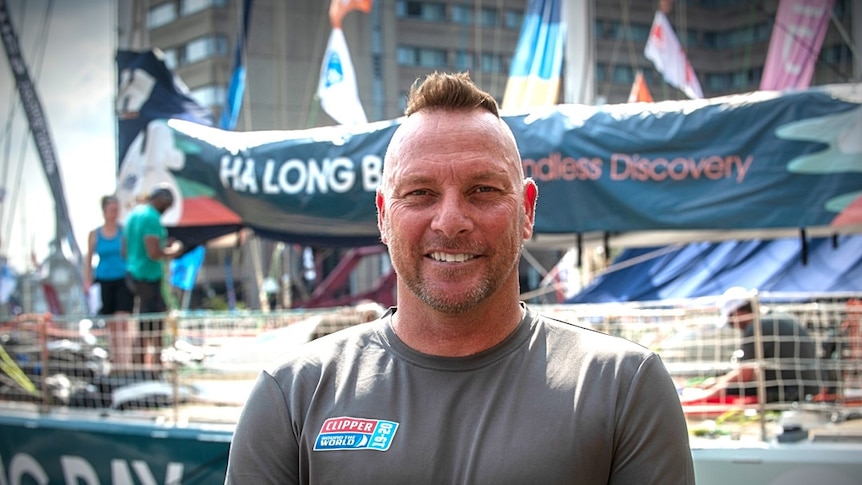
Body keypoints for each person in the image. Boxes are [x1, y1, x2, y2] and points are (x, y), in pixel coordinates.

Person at [225, 72, 694, 484]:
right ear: (384, 215)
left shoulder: (622, 388)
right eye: (421, 192)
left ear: (527, 211)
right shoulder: (291, 397)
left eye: (483, 190)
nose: (450, 221)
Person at [682, 287, 820, 404]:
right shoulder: (780, 317)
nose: (734, 326)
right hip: (807, 387)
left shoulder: (757, 328)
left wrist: (704, 395)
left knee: (733, 389)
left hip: (785, 391)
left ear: (738, 313)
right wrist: (716, 381)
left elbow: (745, 374)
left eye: (731, 321)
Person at [124, 185, 183, 371]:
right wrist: (173, 251)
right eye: (166, 205)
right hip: (149, 277)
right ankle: (154, 368)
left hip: (134, 275)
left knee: (143, 323)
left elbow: (124, 250)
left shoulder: (134, 215)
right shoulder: (151, 217)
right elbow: (153, 252)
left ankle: (141, 367)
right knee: (155, 324)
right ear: (160, 200)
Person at [83, 195, 135, 370]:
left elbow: (129, 255)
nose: (115, 213)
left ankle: (125, 362)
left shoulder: (123, 231)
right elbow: (88, 258)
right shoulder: (94, 234)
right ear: (104, 211)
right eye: (112, 209)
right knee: (112, 324)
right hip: (104, 281)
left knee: (123, 321)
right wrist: (87, 280)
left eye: (117, 209)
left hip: (122, 280)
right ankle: (116, 361)